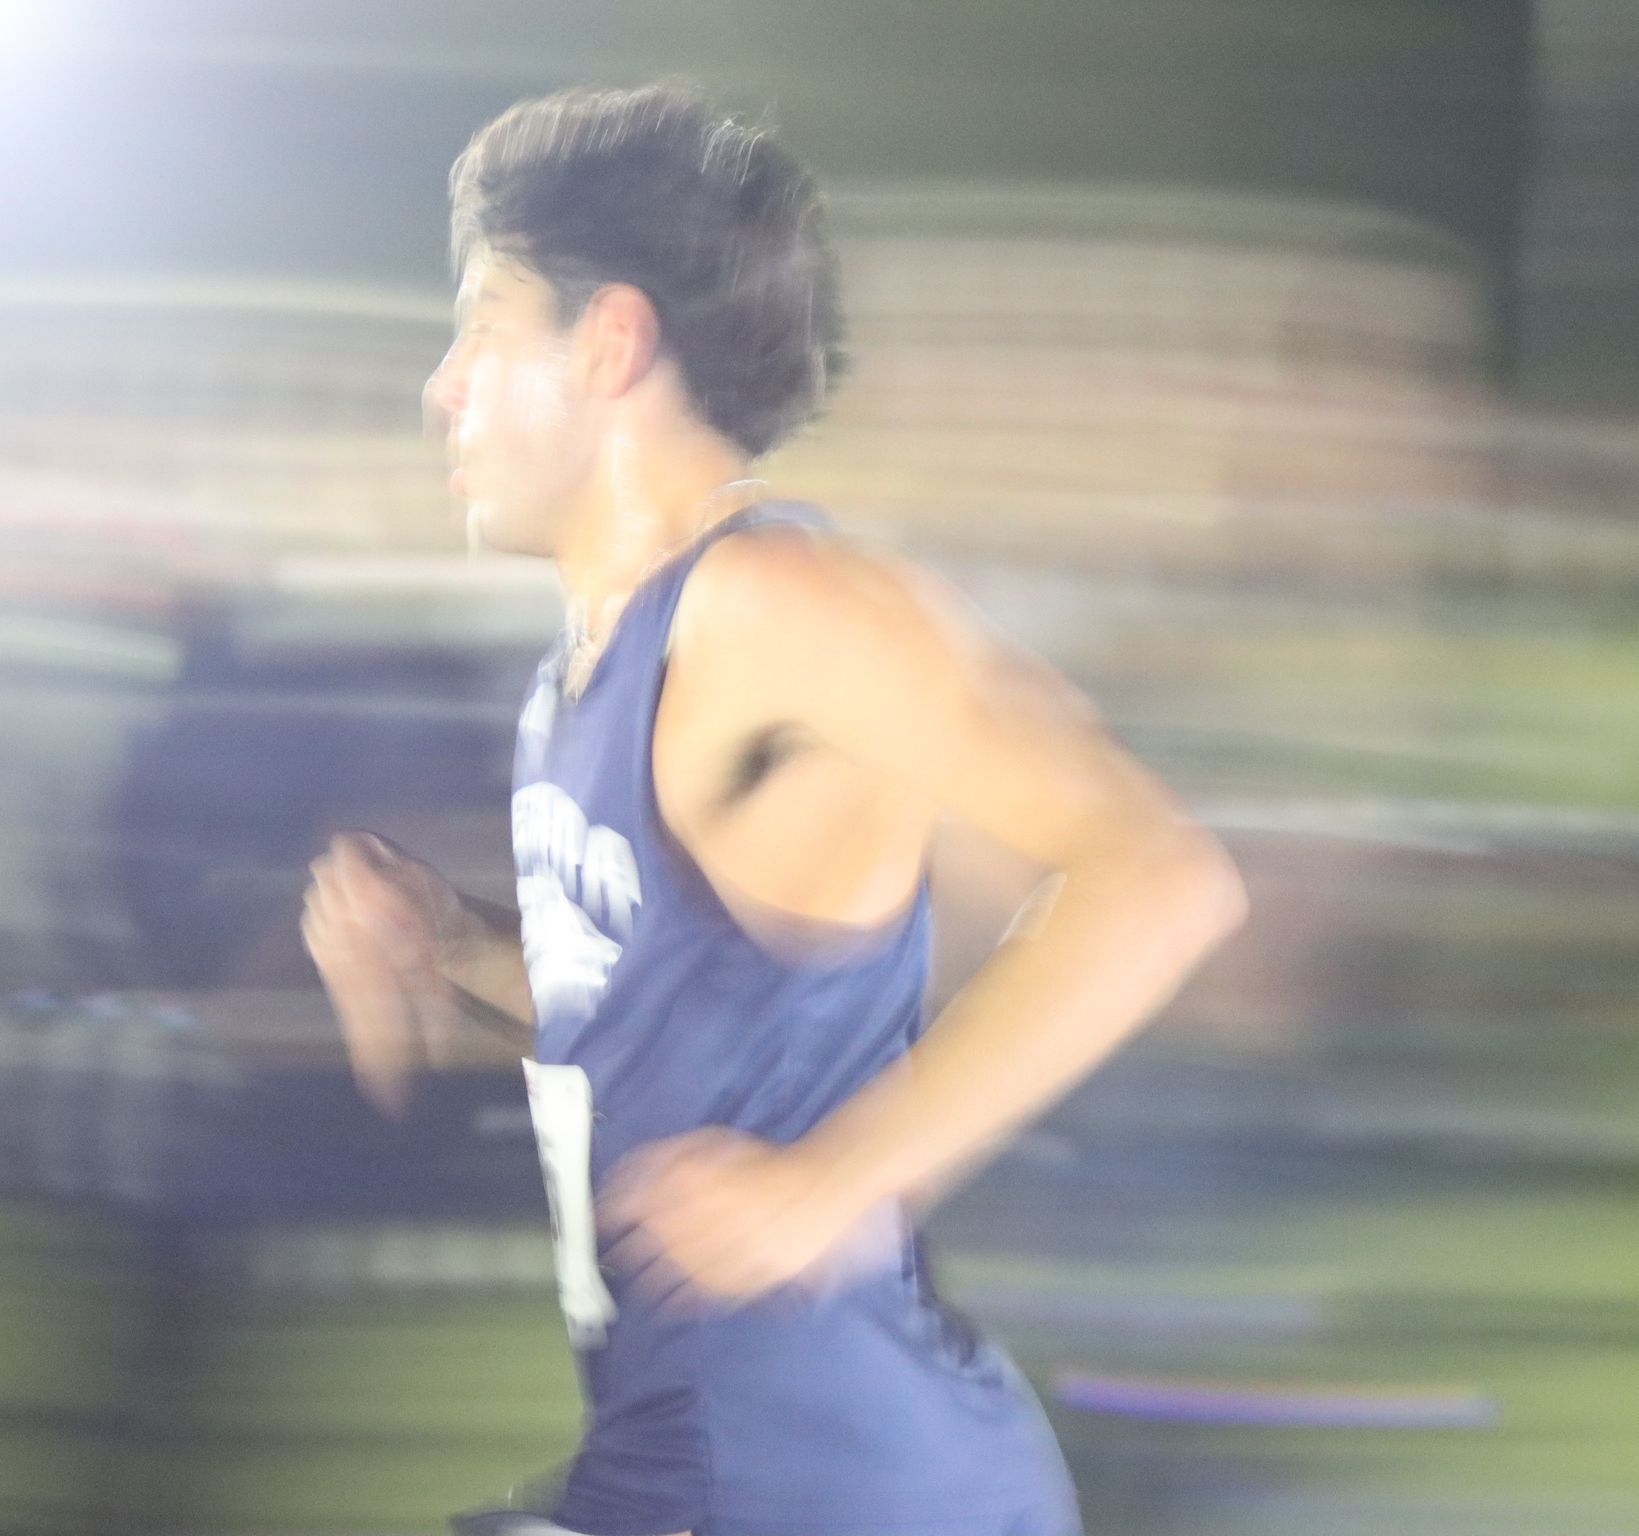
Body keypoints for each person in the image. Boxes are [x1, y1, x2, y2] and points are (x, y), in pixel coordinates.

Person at [301, 83, 1247, 1536]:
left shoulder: (773, 601)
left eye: (483, 325)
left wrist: (834, 1183)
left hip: (857, 1485)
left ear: (610, 341)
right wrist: (449, 941)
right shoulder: (582, 678)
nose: (444, 386)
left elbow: (1160, 877)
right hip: (689, 1468)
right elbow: (652, 1023)